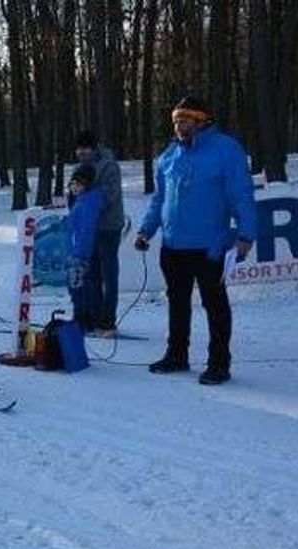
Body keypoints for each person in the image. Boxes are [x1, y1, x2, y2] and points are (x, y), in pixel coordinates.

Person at [134, 95, 257, 385]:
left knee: (215, 304)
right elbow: (159, 200)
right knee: (177, 303)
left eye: (185, 120)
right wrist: (145, 230)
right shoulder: (168, 156)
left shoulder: (226, 150)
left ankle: (219, 363)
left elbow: (241, 195)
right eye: (176, 120)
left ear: (202, 121)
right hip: (173, 246)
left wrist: (246, 234)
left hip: (210, 246)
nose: (179, 125)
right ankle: (176, 355)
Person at [73, 130, 125, 336]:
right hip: (89, 230)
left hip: (108, 227)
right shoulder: (79, 167)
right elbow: (75, 193)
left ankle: (108, 321)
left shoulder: (109, 165)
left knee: (109, 275)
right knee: (92, 274)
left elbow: (109, 195)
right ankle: (93, 318)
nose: (81, 153)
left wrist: (88, 198)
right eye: (78, 149)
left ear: (94, 148)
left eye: (85, 149)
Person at [65, 165, 104, 331]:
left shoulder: (88, 202)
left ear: (87, 185)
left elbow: (87, 230)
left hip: (80, 254)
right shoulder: (81, 201)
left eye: (78, 184)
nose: (74, 187)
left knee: (78, 287)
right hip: (76, 251)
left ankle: (83, 320)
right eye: (73, 183)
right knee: (79, 287)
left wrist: (80, 252)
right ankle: (83, 318)